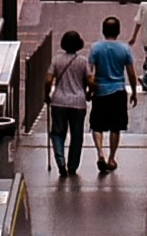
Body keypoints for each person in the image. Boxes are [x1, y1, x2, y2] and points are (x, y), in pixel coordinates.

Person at [89, 17, 138, 176]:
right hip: (118, 91)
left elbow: (90, 72)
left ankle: (100, 153)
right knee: (115, 126)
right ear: (118, 31)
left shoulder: (95, 48)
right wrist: (134, 92)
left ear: (103, 31)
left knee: (97, 125)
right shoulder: (125, 49)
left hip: (100, 90)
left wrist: (90, 89)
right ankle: (111, 158)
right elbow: (131, 73)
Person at [45, 29, 95, 181]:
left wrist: (46, 94)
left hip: (59, 101)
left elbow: (48, 80)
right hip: (78, 103)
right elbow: (91, 81)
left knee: (57, 133)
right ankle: (72, 166)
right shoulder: (83, 61)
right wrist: (89, 93)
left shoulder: (56, 60)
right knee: (77, 136)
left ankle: (60, 160)